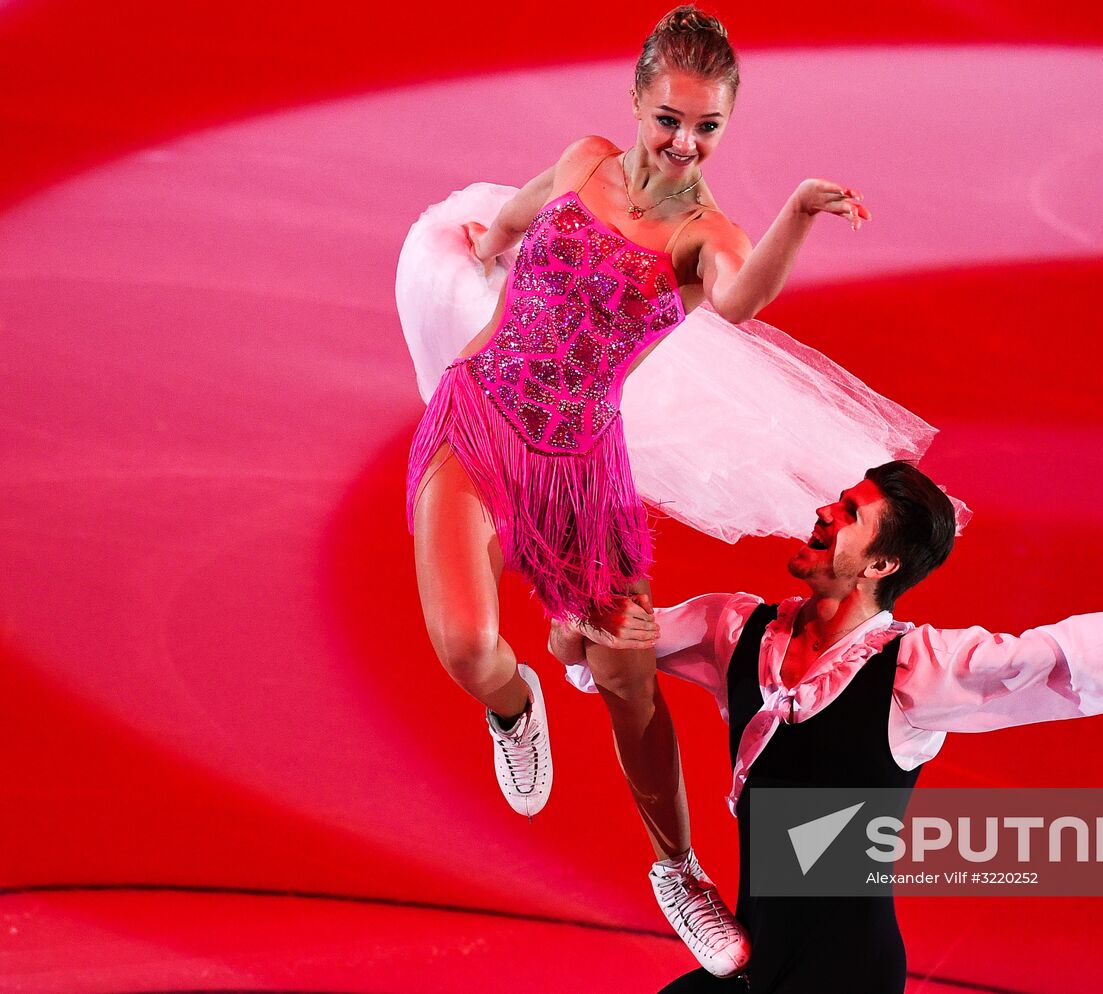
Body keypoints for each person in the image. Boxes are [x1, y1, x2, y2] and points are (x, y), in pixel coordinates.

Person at [397, 6, 960, 978]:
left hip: (581, 475)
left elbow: (743, 300)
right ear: (634, 102)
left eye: (705, 128)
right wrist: (481, 240)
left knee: (627, 684)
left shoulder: (705, 237)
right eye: (667, 118)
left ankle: (677, 869)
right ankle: (511, 703)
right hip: (476, 423)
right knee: (462, 645)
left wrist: (797, 211)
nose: (682, 143)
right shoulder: (582, 161)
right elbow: (518, 214)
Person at [549, 460, 1103, 993]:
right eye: (839, 498)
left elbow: (1072, 651)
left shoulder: (915, 672)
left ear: (881, 567)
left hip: (846, 979)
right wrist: (569, 610)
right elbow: (601, 653)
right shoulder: (736, 628)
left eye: (852, 513)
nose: (825, 511)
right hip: (751, 958)